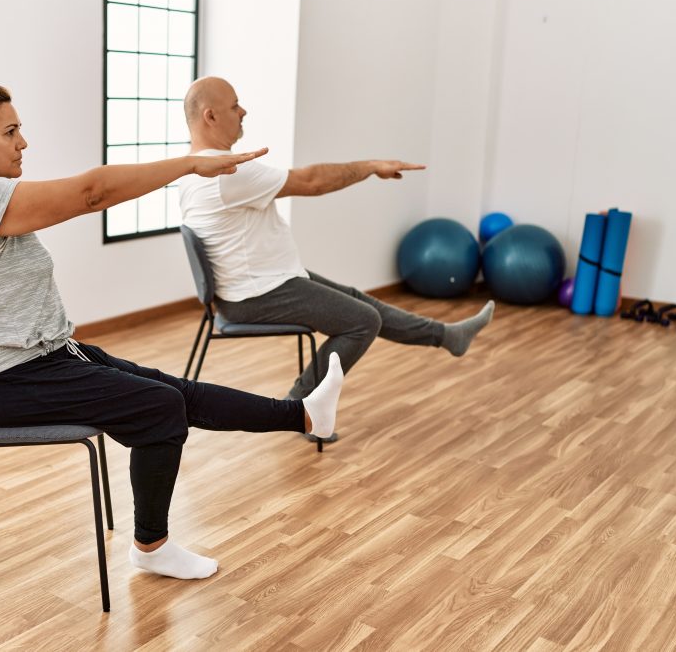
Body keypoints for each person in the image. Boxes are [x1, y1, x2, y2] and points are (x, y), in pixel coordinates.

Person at [0, 83, 345, 581]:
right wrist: (188, 164)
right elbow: (90, 192)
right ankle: (151, 546)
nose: (22, 143)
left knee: (171, 391)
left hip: (39, 359)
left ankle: (306, 415)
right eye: (10, 132)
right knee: (159, 408)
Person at [178, 77, 494, 436]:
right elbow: (312, 181)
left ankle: (447, 336)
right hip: (256, 294)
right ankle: (300, 407)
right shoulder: (227, 171)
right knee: (363, 321)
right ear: (211, 116)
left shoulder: (192, 170)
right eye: (235, 105)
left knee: (358, 302)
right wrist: (372, 166)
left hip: (263, 282)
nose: (243, 110)